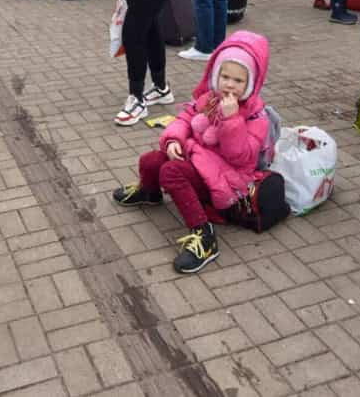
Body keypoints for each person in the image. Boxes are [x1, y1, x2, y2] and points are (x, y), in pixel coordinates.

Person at [110, 31, 272, 274]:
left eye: (238, 81)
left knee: (171, 172)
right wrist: (175, 139)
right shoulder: (210, 99)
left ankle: (204, 236)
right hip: (199, 162)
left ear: (251, 83)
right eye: (225, 76)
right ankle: (150, 192)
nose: (229, 84)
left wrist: (232, 121)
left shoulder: (255, 116)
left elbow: (240, 157)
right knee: (152, 161)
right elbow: (185, 118)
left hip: (224, 180)